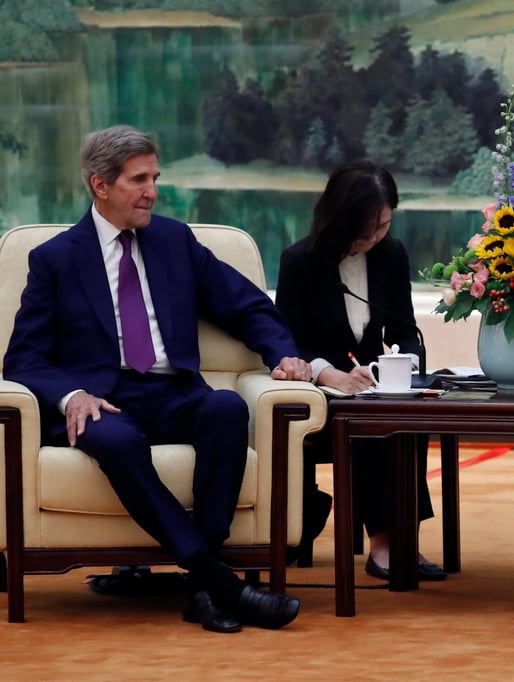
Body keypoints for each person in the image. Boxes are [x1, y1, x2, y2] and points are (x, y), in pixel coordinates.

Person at [3, 125, 312, 634]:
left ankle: (202, 584)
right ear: (100, 185)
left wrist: (283, 354)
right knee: (119, 442)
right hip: (104, 400)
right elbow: (23, 359)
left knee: (228, 409)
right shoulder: (56, 259)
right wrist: (72, 395)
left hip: (174, 392)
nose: (153, 190)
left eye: (155, 177)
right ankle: (219, 582)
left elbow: (247, 305)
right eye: (138, 179)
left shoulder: (174, 240)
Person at [274, 160, 446, 581]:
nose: (373, 238)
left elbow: (405, 330)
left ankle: (405, 534)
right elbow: (287, 343)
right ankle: (384, 546)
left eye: (383, 225)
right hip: (321, 393)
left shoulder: (392, 254)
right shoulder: (300, 261)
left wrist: (402, 366)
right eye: (365, 228)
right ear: (338, 218)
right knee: (368, 422)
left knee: (404, 415)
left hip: (373, 385)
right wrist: (328, 374)